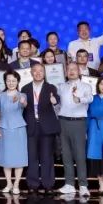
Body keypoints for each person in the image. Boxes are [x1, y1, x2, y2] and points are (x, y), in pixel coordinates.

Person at [21, 63, 61, 193]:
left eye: (41, 71)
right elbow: (22, 106)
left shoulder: (51, 87)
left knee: (47, 157)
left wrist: (55, 100)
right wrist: (22, 104)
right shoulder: (25, 88)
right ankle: (33, 185)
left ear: (44, 73)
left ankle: (48, 184)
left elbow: (57, 99)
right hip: (31, 126)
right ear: (31, 73)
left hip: (46, 127)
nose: (38, 73)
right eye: (35, 71)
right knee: (31, 156)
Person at [56, 62, 92, 197]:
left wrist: (79, 99)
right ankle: (69, 184)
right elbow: (57, 103)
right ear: (65, 72)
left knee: (80, 155)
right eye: (69, 69)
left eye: (74, 69)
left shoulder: (86, 86)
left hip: (78, 122)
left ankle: (83, 185)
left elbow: (90, 98)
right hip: (63, 121)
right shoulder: (61, 86)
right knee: (66, 154)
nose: (71, 71)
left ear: (79, 71)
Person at [0, 71, 27, 195]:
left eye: (13, 81)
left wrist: (22, 101)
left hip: (19, 129)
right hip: (3, 128)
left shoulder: (22, 95)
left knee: (19, 158)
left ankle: (17, 184)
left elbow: (24, 104)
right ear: (5, 81)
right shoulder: (0, 96)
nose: (11, 83)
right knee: (6, 158)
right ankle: (9, 183)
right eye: (8, 80)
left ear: (18, 82)